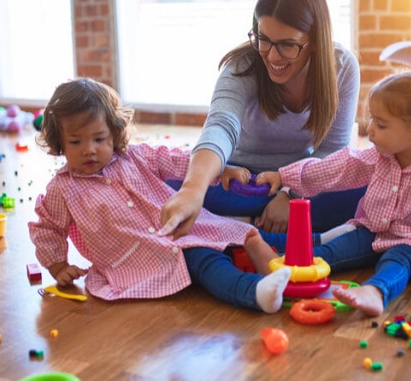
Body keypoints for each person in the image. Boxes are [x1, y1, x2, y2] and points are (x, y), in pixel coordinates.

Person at [254, 59, 411, 317]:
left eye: (381, 124)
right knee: (334, 250)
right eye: (372, 120)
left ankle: (374, 292)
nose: (371, 131)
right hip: (373, 231)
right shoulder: (380, 157)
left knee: (395, 262)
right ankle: (283, 266)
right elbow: (338, 167)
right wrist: (285, 176)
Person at [28, 78, 291, 313]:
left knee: (242, 233)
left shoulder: (134, 157)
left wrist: (221, 169)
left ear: (114, 132)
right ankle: (255, 292)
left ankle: (317, 242)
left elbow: (180, 161)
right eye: (76, 142)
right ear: (60, 142)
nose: (89, 150)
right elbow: (47, 228)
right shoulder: (62, 188)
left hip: (183, 230)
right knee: (209, 262)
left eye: (99, 139)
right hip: (140, 260)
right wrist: (59, 266)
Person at [160, 0, 364, 238]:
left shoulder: (343, 68)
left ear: (314, 41)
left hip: (303, 178)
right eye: (263, 38)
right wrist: (192, 190)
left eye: (287, 45)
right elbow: (221, 125)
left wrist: (291, 193)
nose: (271, 55)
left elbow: (333, 153)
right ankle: (285, 233)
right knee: (168, 183)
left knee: (369, 187)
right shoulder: (242, 67)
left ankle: (236, 228)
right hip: (238, 181)